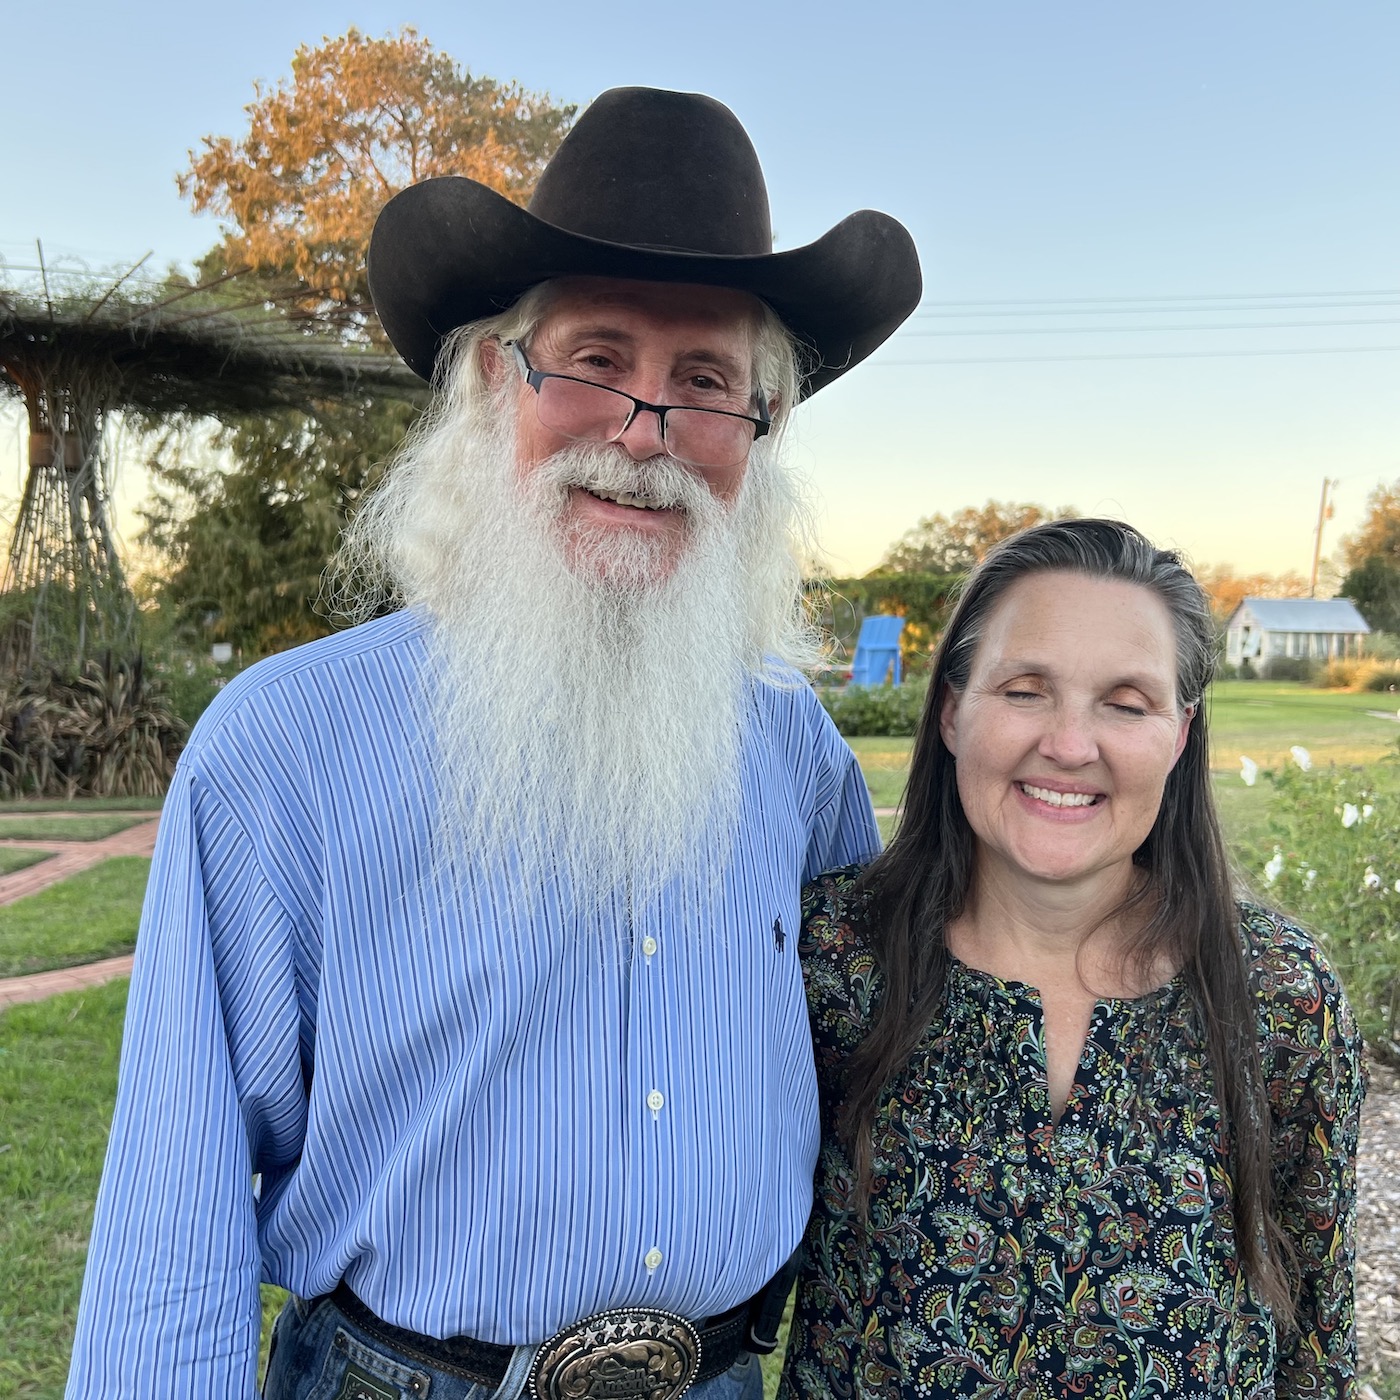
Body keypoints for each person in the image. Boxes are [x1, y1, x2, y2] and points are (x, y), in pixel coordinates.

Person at [65, 88, 921, 1400]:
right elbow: (173, 1208)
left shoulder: (796, 754)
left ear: (763, 433)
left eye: (706, 384)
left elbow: (868, 1078)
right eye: (596, 358)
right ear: (488, 379)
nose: (646, 433)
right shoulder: (285, 747)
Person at [781, 519, 1364, 1399]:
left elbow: (1315, 1320)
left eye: (1126, 703)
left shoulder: (1278, 991)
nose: (1068, 743)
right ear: (950, 709)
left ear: (1178, 734)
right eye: (1024, 690)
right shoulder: (829, 957)